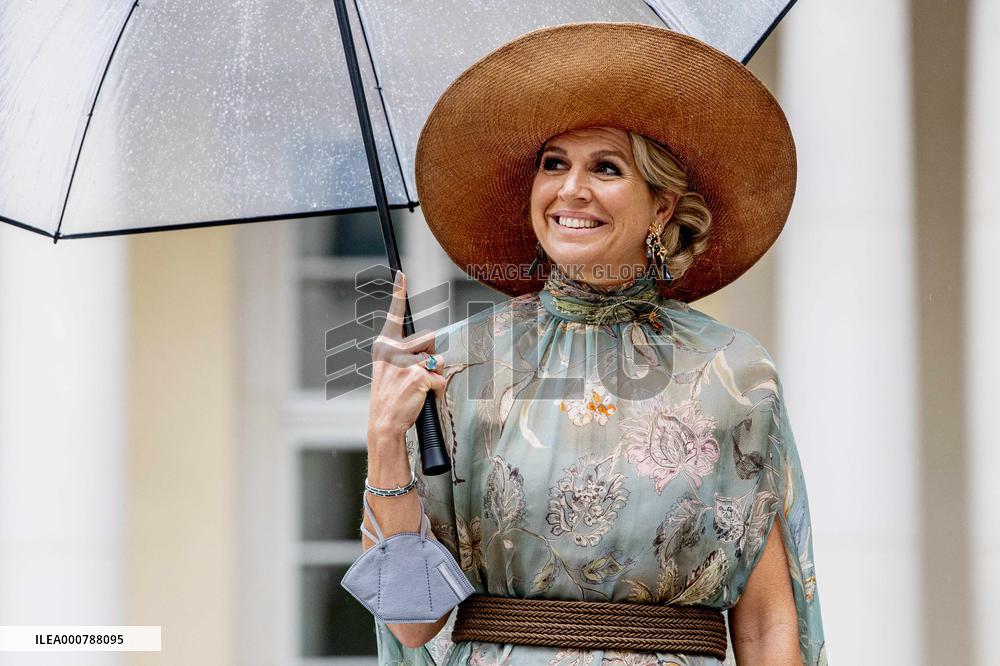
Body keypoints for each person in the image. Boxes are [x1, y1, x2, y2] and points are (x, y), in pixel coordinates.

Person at [360, 22, 826, 665]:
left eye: (605, 167)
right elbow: (412, 625)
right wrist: (385, 444)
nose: (571, 189)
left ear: (662, 209)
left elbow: (769, 623)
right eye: (555, 164)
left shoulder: (732, 371)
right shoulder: (456, 365)